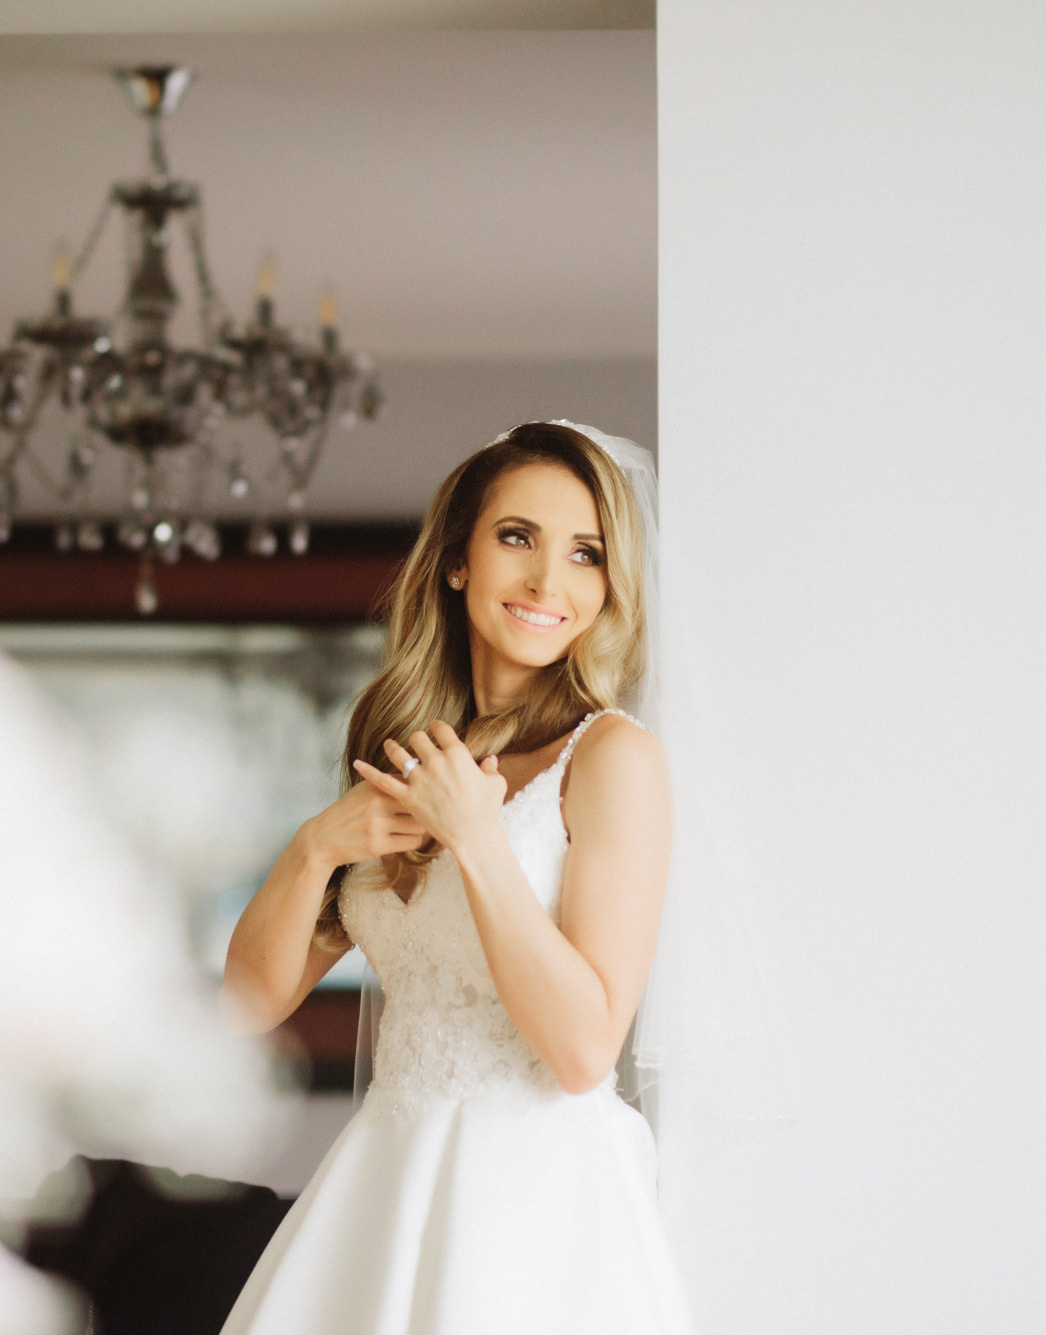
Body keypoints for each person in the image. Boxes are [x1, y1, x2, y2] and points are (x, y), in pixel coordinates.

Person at [217, 421, 695, 1334]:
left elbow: (585, 1049)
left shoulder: (612, 759)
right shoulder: (400, 749)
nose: (547, 581)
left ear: (609, 587)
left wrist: (478, 840)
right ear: (457, 560)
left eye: (585, 554)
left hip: (539, 1206)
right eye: (517, 537)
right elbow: (247, 1000)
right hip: (387, 1179)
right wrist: (317, 844)